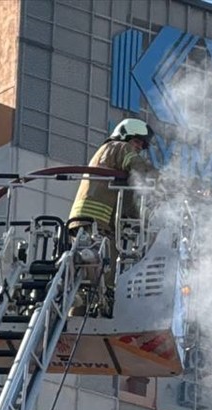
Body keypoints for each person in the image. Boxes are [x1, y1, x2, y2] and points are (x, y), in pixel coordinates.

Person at [67, 118, 157, 316]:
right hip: (98, 225)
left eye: (141, 146)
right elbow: (138, 167)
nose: (138, 149)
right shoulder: (118, 147)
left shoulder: (107, 156)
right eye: (137, 142)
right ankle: (102, 312)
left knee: (85, 279)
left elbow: (127, 202)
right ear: (125, 135)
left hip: (87, 223)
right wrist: (163, 182)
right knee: (105, 276)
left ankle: (77, 315)